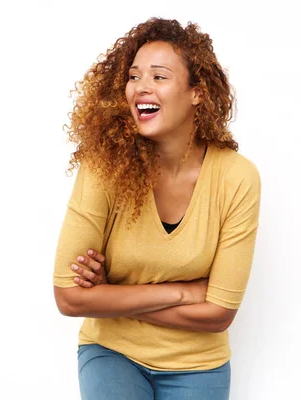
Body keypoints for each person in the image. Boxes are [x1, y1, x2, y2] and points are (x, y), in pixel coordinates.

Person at [53, 17, 261, 400]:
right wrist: (184, 293)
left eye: (159, 77)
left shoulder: (236, 177)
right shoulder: (103, 167)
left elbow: (219, 313)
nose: (141, 87)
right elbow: (69, 296)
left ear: (197, 92)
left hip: (198, 364)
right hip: (112, 352)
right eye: (134, 76)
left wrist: (110, 296)